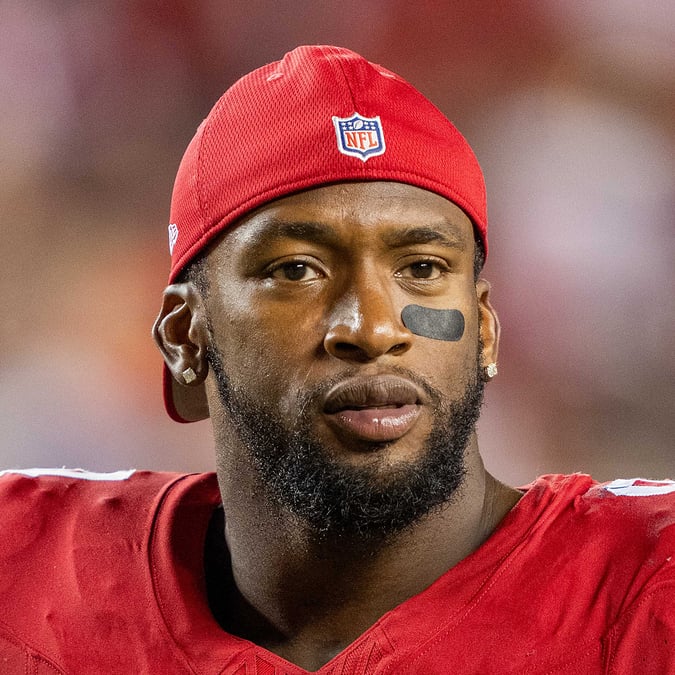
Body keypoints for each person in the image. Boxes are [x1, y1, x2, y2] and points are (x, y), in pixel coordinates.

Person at [1, 45, 673, 675]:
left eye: (421, 267)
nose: (373, 328)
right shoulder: (24, 573)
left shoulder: (649, 582)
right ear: (186, 337)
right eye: (297, 269)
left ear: (486, 330)